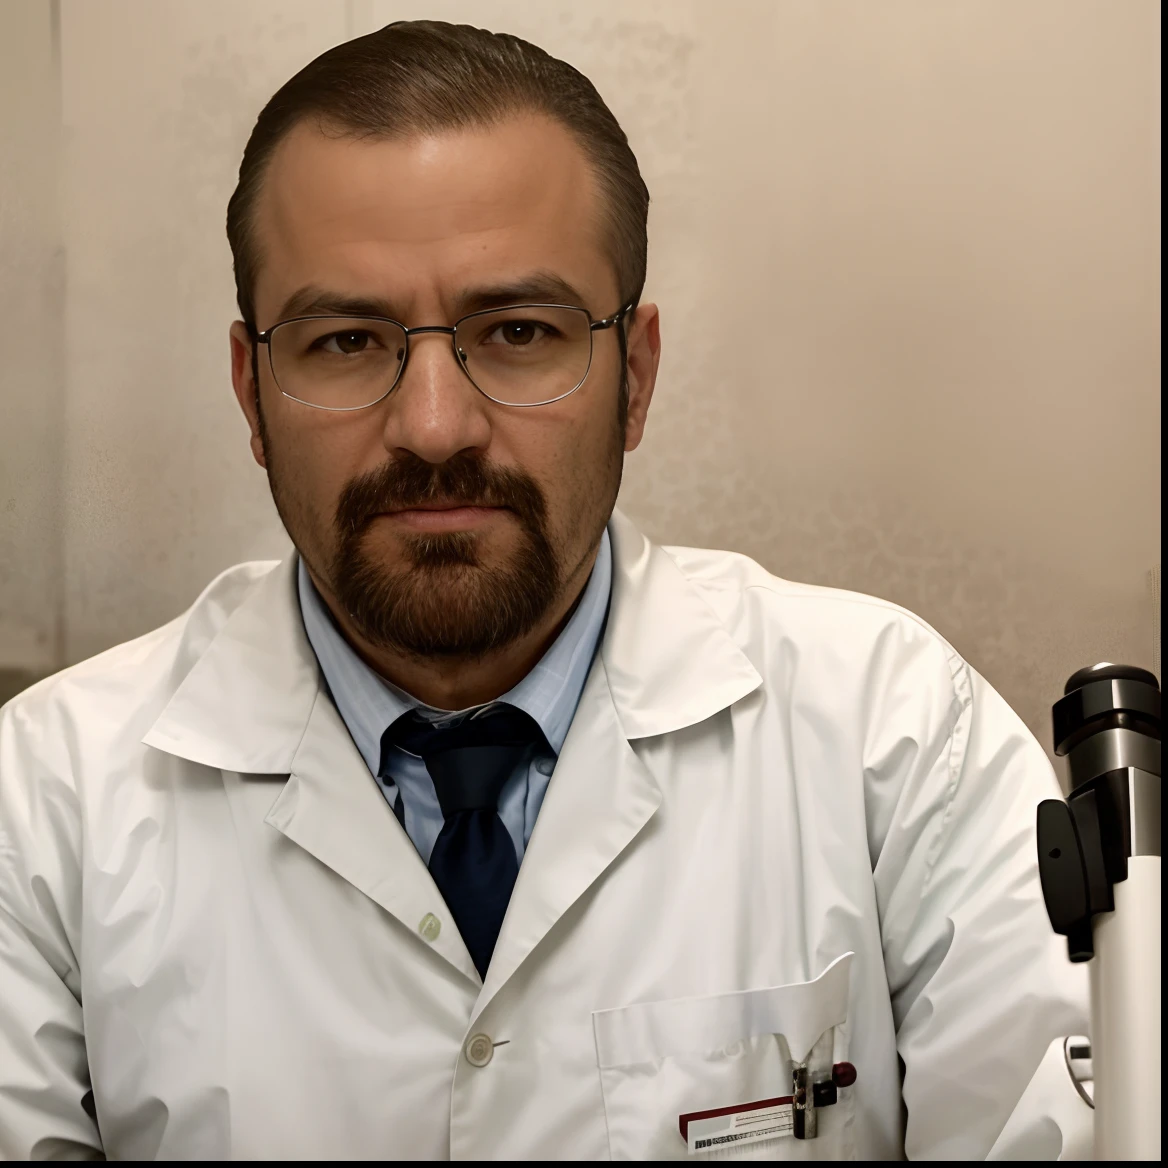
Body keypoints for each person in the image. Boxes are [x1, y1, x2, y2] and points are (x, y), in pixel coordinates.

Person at [0, 20, 1089, 1161]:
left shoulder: (894, 737)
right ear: (250, 388)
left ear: (637, 376)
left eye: (518, 331)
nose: (433, 427)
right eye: (345, 340)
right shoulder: (49, 805)